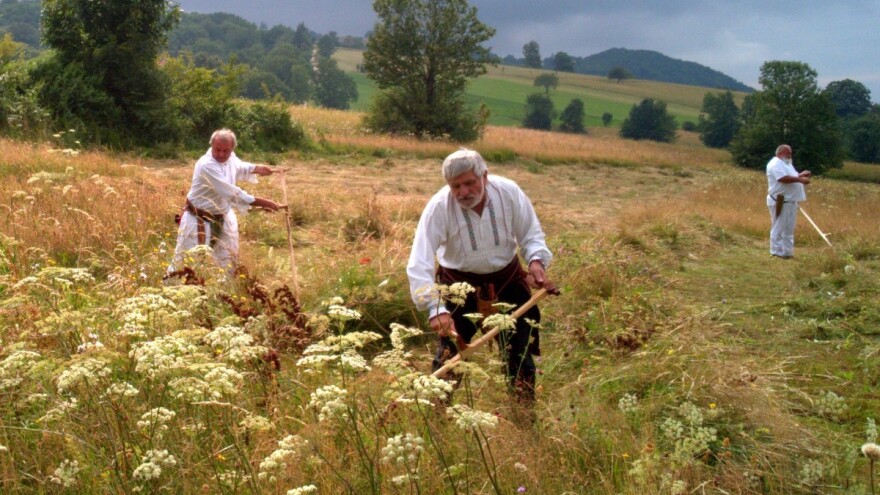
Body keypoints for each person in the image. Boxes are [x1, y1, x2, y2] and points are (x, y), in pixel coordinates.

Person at [406, 149, 556, 405]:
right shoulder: (438, 208)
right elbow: (419, 262)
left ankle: (524, 422)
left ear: (484, 176)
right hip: (457, 289)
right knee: (448, 360)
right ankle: (437, 419)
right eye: (456, 186)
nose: (463, 192)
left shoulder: (508, 193)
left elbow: (530, 234)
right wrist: (435, 308)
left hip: (508, 284)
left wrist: (535, 261)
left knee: (519, 357)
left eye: (469, 182)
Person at [167, 128, 285, 274]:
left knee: (228, 261)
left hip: (223, 215)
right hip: (197, 218)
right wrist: (264, 203)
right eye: (217, 150)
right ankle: (175, 291)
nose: (221, 154)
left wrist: (256, 168)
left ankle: (224, 293)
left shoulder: (230, 157)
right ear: (211, 146)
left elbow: (238, 166)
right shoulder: (206, 165)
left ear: (232, 149)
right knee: (186, 261)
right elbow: (231, 193)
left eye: (226, 151)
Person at [766, 144, 811, 259]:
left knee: (788, 228)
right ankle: (776, 251)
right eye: (788, 153)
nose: (790, 155)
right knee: (779, 226)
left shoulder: (787, 164)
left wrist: (800, 175)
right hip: (780, 200)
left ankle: (787, 252)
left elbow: (792, 175)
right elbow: (782, 178)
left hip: (791, 201)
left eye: (790, 153)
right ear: (780, 153)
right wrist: (800, 180)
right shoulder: (775, 164)